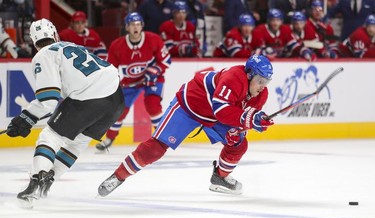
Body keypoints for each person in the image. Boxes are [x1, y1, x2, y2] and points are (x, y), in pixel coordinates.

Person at [97, 54, 275, 197]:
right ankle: (118, 176)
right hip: (189, 106)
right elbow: (222, 111)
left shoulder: (261, 94)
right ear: (249, 74)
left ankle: (220, 177)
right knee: (156, 149)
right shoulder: (234, 78)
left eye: (267, 81)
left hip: (213, 115)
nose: (263, 86)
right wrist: (250, 120)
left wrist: (252, 124)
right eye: (260, 80)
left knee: (238, 143)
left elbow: (244, 118)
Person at [5, 19, 124, 208]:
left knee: (50, 136)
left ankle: (37, 182)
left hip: (89, 97)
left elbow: (48, 100)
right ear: (55, 35)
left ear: (35, 43)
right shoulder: (71, 45)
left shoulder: (44, 55)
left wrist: (25, 118)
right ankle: (49, 179)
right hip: (116, 99)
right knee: (77, 141)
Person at [96, 12, 171, 151]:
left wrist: (155, 71)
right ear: (127, 27)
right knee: (119, 111)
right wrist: (112, 83)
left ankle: (163, 138)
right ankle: (110, 138)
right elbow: (110, 68)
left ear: (142, 26)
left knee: (153, 106)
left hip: (151, 80)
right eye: (132, 24)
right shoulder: (117, 45)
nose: (135, 27)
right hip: (130, 83)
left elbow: (166, 60)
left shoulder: (153, 39)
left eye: (138, 24)